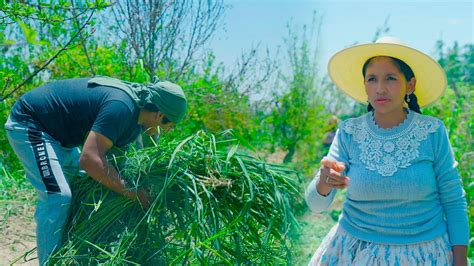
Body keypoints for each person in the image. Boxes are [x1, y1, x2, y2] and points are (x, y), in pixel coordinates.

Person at [305, 37, 469, 265]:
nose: (380, 88)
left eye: (391, 78)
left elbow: (453, 200)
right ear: (365, 86)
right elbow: (316, 205)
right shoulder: (349, 132)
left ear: (409, 85)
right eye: (372, 79)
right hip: (353, 252)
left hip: (424, 254)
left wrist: (460, 259)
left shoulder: (432, 132)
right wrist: (324, 181)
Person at [4, 76, 187, 265]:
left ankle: (75, 258)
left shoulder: (136, 122)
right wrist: (133, 193)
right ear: (159, 115)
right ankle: (50, 262)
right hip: (31, 124)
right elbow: (90, 160)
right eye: (169, 126)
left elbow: (114, 165)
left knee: (87, 188)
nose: (167, 131)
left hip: (61, 138)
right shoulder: (122, 107)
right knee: (58, 196)